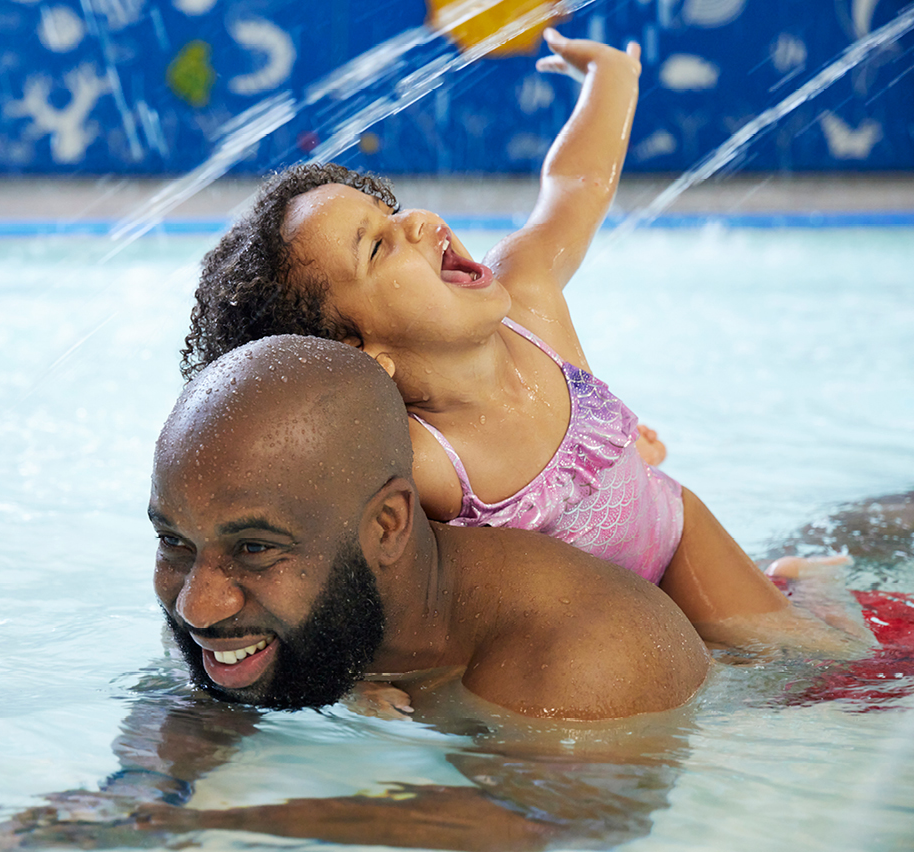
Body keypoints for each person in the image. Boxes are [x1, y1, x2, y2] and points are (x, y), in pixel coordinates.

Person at [178, 28, 872, 660]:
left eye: (391, 210)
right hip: (593, 625)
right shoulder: (422, 458)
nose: (419, 222)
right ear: (361, 353)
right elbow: (361, 568)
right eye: (380, 246)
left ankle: (800, 587)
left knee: (819, 662)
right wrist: (369, 674)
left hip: (674, 535)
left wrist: (612, 83)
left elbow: (571, 187)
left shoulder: (531, 298)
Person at [149, 334, 710, 717]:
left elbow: (550, 830)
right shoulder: (248, 618)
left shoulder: (578, 657)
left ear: (387, 527)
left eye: (253, 548)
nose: (197, 607)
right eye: (173, 541)